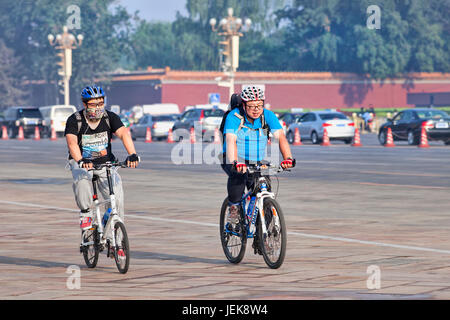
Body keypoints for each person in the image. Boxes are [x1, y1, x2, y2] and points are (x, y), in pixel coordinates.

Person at [64, 85, 140, 235]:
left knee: (117, 199)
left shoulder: (109, 117)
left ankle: (117, 240)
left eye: (101, 103)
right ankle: (86, 214)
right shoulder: (75, 120)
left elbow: (124, 133)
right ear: (84, 104)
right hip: (83, 163)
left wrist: (132, 154)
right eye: (93, 104)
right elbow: (72, 143)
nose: (98, 108)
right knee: (82, 184)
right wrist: (80, 160)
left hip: (105, 164)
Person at [221, 85, 295, 229]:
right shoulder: (234, 116)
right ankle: (234, 211)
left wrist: (288, 159)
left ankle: (263, 235)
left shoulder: (268, 115)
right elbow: (231, 140)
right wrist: (236, 162)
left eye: (259, 105)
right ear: (243, 105)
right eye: (251, 106)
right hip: (233, 157)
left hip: (257, 160)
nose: (256, 109)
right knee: (238, 176)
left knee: (264, 188)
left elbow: (280, 137)